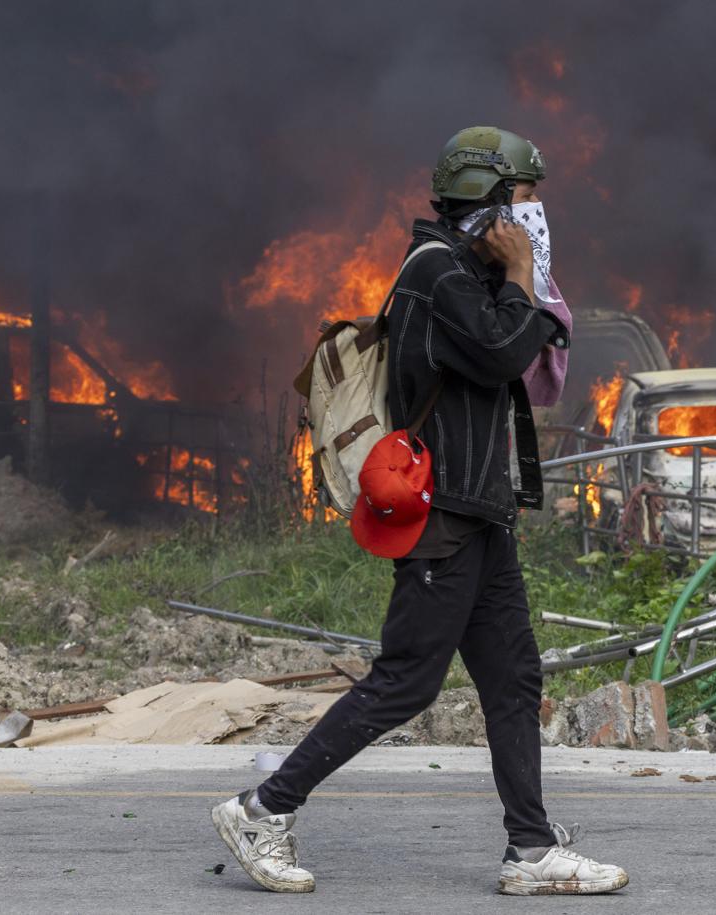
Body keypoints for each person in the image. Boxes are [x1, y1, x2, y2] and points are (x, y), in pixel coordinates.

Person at [212, 127, 628, 896]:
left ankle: (530, 849)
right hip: (441, 517)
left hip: (480, 513)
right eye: (527, 199)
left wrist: (516, 274)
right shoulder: (436, 273)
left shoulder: (466, 272)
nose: (537, 215)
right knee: (406, 680)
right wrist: (525, 271)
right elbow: (508, 350)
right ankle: (262, 807)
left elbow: (524, 365)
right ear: (492, 199)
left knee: (513, 679)